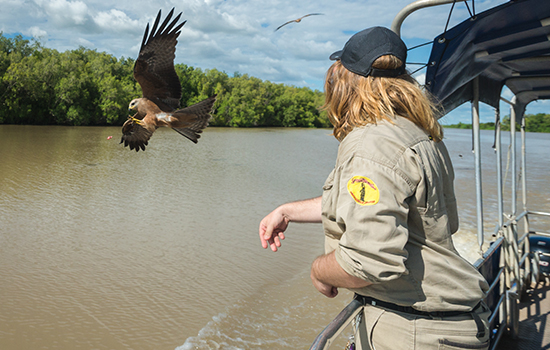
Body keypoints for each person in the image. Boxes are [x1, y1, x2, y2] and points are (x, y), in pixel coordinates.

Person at [258, 26, 490, 350]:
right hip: (447, 324)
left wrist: (319, 271)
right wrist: (287, 211)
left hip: (416, 333)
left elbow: (368, 262)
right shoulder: (419, 135)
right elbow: (373, 201)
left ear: (347, 83)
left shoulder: (371, 146)